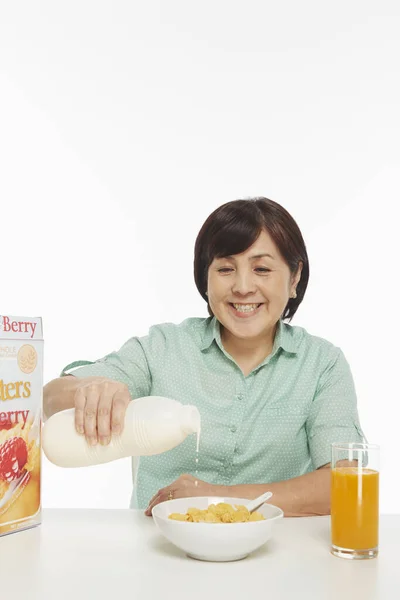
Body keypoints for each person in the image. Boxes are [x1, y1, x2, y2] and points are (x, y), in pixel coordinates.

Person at [43, 197, 364, 517]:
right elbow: (50, 399)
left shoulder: (322, 365)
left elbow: (345, 484)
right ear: (205, 279)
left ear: (294, 278)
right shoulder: (163, 348)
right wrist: (89, 390)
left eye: (262, 269)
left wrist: (220, 499)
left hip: (276, 555)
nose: (242, 287)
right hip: (157, 555)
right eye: (226, 268)